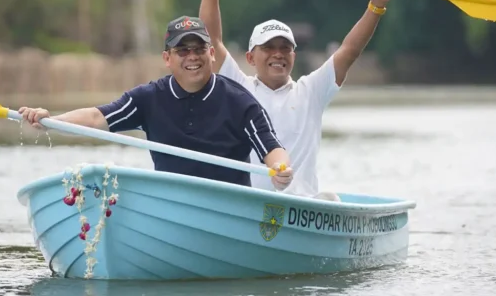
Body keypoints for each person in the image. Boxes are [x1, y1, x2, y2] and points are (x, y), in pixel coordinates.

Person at [19, 16, 294, 189]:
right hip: (170, 201)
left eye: (199, 49)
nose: (192, 56)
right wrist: (50, 121)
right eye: (182, 50)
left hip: (228, 206)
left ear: (211, 54)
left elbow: (272, 148)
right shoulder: (148, 97)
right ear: (167, 59)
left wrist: (281, 170)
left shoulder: (240, 101)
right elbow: (96, 118)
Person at [199, 0, 392, 201]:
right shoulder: (236, 86)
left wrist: (376, 6)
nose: (278, 54)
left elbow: (349, 51)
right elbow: (210, 40)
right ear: (250, 58)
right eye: (268, 48)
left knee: (330, 198)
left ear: (294, 55)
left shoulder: (311, 90)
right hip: (246, 203)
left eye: (285, 48)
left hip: (300, 206)